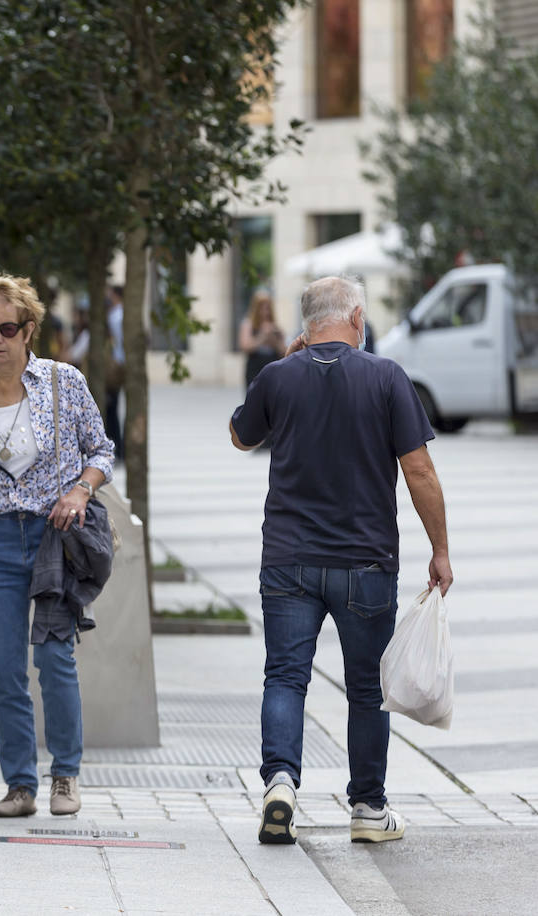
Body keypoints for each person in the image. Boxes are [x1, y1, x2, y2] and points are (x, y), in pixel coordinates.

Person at [229, 275, 452, 847]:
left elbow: (240, 436)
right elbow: (419, 471)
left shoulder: (278, 376)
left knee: (285, 676)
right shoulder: (386, 377)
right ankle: (368, 808)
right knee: (367, 689)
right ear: (357, 318)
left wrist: (280, 366)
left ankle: (280, 783)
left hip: (288, 559)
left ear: (305, 325)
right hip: (365, 562)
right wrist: (440, 549)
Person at [0, 272, 115, 819]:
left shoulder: (63, 383)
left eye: (8, 328)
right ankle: (20, 785)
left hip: (54, 538)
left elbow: (101, 451)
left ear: (29, 329)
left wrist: (81, 490)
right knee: (5, 670)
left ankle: (65, 775)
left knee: (55, 657)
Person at [238, 289, 286, 390]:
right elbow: (245, 346)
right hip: (255, 370)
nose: (265, 312)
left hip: (273, 370)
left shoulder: (275, 326)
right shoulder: (248, 324)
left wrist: (274, 339)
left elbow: (284, 352)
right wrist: (262, 337)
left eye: (267, 308)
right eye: (261, 307)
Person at [103, 286, 124, 461]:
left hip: (116, 364)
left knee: (112, 406)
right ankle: (119, 447)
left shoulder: (115, 316)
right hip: (119, 362)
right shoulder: (120, 314)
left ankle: (118, 447)